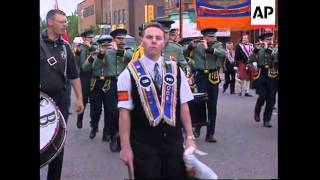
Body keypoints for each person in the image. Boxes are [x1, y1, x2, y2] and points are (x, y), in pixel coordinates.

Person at [118, 22, 197, 179]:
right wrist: (125, 147)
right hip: (143, 145)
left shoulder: (176, 70)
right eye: (149, 37)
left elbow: (184, 106)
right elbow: (124, 113)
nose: (153, 41)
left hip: (173, 143)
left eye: (158, 38)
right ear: (142, 40)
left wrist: (189, 137)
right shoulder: (128, 74)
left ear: (164, 42)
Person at [40, 9, 84, 180]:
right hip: (42, 100)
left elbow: (74, 74)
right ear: (50, 22)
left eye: (66, 22)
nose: (65, 25)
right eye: (62, 21)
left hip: (60, 100)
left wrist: (79, 98)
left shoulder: (66, 46)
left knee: (58, 144)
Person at [82, 28, 133, 151]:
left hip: (122, 83)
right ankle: (104, 130)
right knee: (104, 109)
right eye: (119, 39)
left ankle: (113, 134)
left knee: (120, 110)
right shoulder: (102, 53)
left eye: (123, 38)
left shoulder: (127, 51)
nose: (122, 41)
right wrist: (100, 54)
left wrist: (118, 50)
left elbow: (131, 57)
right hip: (105, 83)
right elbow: (90, 67)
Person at [186, 28, 226, 142]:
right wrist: (189, 47)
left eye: (213, 36)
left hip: (213, 77)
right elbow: (184, 53)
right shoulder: (197, 45)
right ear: (204, 36)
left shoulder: (217, 45)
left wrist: (210, 50)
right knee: (199, 103)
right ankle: (198, 127)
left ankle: (210, 134)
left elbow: (223, 53)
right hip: (201, 76)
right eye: (211, 37)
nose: (213, 38)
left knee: (212, 106)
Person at [249, 30, 278, 128]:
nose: (270, 40)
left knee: (271, 98)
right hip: (261, 74)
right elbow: (250, 59)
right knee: (262, 95)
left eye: (270, 39)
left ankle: (267, 120)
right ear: (262, 40)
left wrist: (267, 49)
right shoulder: (258, 48)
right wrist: (256, 50)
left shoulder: (275, 48)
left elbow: (275, 57)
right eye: (267, 39)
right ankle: (257, 110)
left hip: (272, 74)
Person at [75, 30, 95, 129]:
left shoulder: (95, 47)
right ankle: (80, 119)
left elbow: (97, 54)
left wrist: (90, 47)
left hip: (94, 75)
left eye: (92, 37)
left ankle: (93, 122)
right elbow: (76, 63)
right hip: (84, 76)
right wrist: (77, 52)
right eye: (89, 37)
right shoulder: (80, 47)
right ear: (84, 38)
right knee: (84, 99)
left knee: (94, 100)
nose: (91, 39)